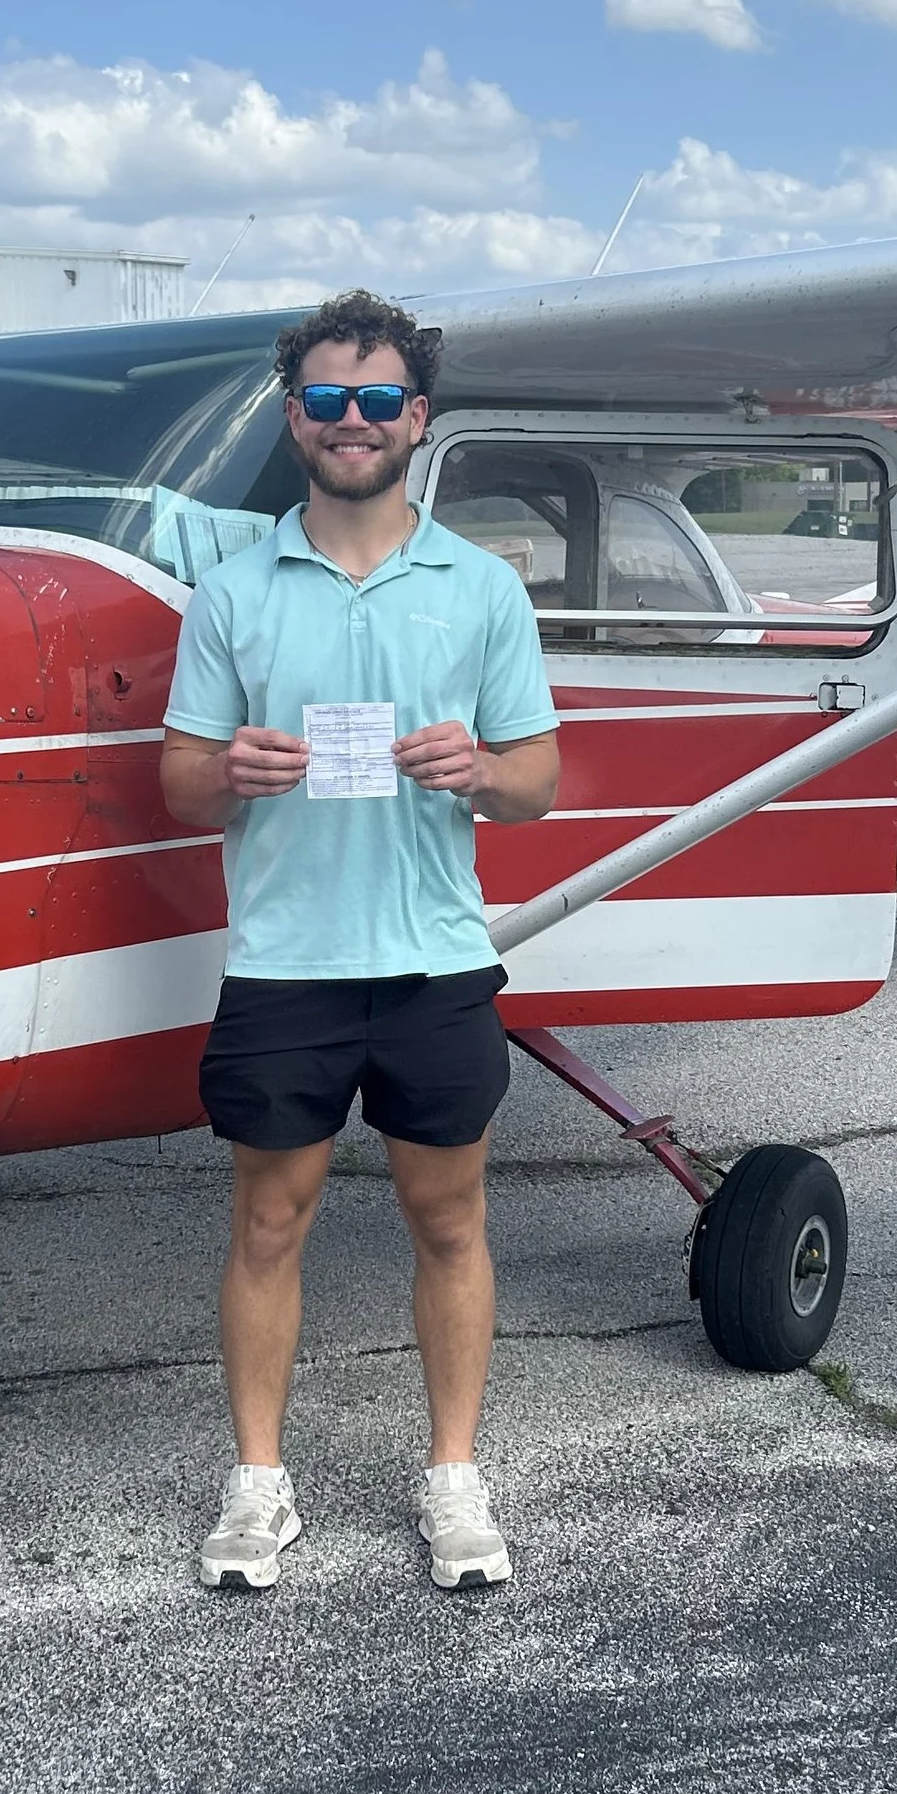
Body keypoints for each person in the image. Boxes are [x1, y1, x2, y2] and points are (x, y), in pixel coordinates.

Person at [159, 288, 560, 1596]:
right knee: (267, 1223)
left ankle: (453, 1480)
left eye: (377, 399)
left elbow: (540, 779)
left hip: (435, 961)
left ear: (416, 419)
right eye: (327, 400)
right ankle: (258, 1488)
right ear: (293, 418)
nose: (352, 421)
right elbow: (177, 784)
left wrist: (481, 769)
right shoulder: (232, 593)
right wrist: (234, 769)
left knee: (450, 1220)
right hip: (285, 966)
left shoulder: (481, 588)